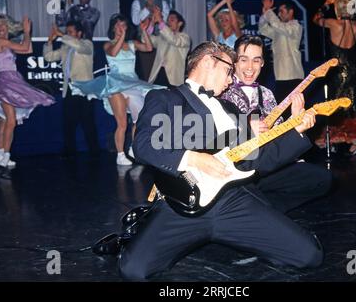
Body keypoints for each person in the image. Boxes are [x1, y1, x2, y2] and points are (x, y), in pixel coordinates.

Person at [118, 41, 323, 281]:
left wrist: (296, 131)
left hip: (232, 202)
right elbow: (142, 144)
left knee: (310, 255)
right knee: (133, 270)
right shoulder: (166, 98)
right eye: (229, 70)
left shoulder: (230, 110)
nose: (231, 78)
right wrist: (193, 158)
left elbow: (257, 161)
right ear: (207, 61)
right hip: (181, 204)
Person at [219, 35, 332, 213]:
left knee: (322, 179)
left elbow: (278, 135)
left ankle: (265, 210)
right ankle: (255, 210)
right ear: (234, 62)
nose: (250, 67)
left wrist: (294, 122)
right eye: (244, 60)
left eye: (256, 60)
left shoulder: (267, 94)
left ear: (263, 63)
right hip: (234, 171)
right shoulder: (222, 89)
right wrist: (245, 127)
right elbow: (210, 130)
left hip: (265, 166)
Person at [72, 14, 165, 166]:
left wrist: (144, 32)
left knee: (139, 120)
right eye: (118, 25)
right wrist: (121, 37)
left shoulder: (132, 43)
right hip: (116, 84)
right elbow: (114, 52)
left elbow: (148, 48)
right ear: (114, 27)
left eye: (124, 25)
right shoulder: (107, 45)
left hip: (132, 83)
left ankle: (133, 150)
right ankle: (120, 155)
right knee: (122, 123)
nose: (121, 28)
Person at [0, 14, 55, 167]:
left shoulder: (8, 43)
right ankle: (6, 154)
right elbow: (25, 47)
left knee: (4, 120)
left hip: (10, 80)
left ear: (8, 27)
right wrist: (27, 32)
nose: (0, 27)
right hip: (5, 81)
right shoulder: (1, 41)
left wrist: (28, 34)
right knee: (11, 120)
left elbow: (28, 50)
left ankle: (1, 153)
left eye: (2, 24)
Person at [313, 0, 356, 155]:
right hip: (355, 70)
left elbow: (316, 19)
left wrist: (326, 4)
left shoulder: (334, 24)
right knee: (354, 107)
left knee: (336, 106)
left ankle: (332, 141)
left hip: (339, 72)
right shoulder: (355, 25)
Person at [43, 21, 100, 158]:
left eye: (71, 32)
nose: (68, 34)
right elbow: (48, 57)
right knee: (68, 123)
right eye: (67, 31)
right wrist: (49, 41)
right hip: (69, 88)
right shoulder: (65, 48)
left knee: (88, 123)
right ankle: (70, 152)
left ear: (79, 33)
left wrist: (62, 35)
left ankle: (95, 152)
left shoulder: (87, 44)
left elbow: (78, 46)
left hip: (85, 89)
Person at [258, 0, 304, 108]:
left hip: (293, 76)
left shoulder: (295, 26)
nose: (279, 14)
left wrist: (269, 11)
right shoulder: (279, 30)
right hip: (280, 76)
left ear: (291, 12)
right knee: (282, 109)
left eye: (282, 11)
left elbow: (277, 25)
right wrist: (265, 15)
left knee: (295, 109)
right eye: (278, 12)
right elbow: (263, 29)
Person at [131, 0, 171, 81]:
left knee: (163, 72)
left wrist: (157, 14)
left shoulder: (163, 3)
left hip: (161, 41)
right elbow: (135, 20)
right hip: (144, 42)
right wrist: (147, 8)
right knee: (147, 74)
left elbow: (166, 21)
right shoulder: (137, 3)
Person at [148, 9, 190, 87]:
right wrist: (152, 24)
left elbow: (173, 40)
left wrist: (160, 21)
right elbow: (147, 41)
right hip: (158, 74)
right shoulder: (162, 37)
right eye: (168, 20)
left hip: (173, 79)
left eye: (172, 20)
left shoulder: (184, 38)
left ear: (180, 23)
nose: (168, 22)